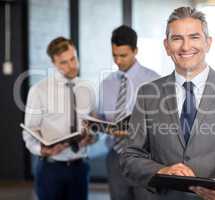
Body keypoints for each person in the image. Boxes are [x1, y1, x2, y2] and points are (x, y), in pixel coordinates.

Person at [120, 7, 215, 200]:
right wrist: (162, 171)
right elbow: (130, 157)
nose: (185, 47)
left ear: (208, 43)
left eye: (194, 37)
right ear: (167, 46)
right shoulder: (147, 93)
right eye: (177, 38)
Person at [23, 37, 97, 200]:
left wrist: (92, 136)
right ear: (54, 63)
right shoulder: (39, 91)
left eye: (73, 58)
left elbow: (94, 124)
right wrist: (43, 150)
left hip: (80, 167)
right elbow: (29, 134)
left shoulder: (88, 88)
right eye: (64, 63)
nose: (72, 66)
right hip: (51, 169)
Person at [96, 25, 160, 200]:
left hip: (145, 158)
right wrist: (96, 121)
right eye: (114, 55)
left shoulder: (153, 80)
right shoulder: (106, 84)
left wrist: (134, 130)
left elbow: (163, 123)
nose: (118, 61)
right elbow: (103, 118)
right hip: (115, 158)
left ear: (135, 51)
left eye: (123, 55)